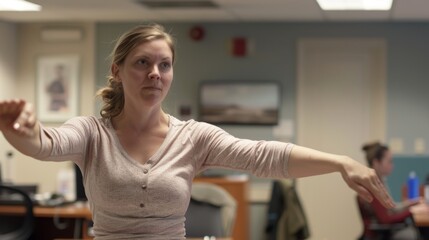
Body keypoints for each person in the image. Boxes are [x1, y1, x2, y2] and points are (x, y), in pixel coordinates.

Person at [0, 24, 394, 240]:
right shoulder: (91, 133)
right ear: (117, 71)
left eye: (165, 65)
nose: (155, 73)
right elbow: (44, 144)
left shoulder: (194, 137)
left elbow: (264, 155)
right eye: (142, 62)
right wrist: (21, 129)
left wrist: (341, 162)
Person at [359, 142, 425, 240]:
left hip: (384, 230)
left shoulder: (380, 181)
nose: (392, 165)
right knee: (415, 233)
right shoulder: (373, 186)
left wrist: (411, 204)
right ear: (376, 162)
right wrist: (411, 211)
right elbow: (385, 219)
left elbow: (390, 207)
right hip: (382, 233)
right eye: (389, 161)